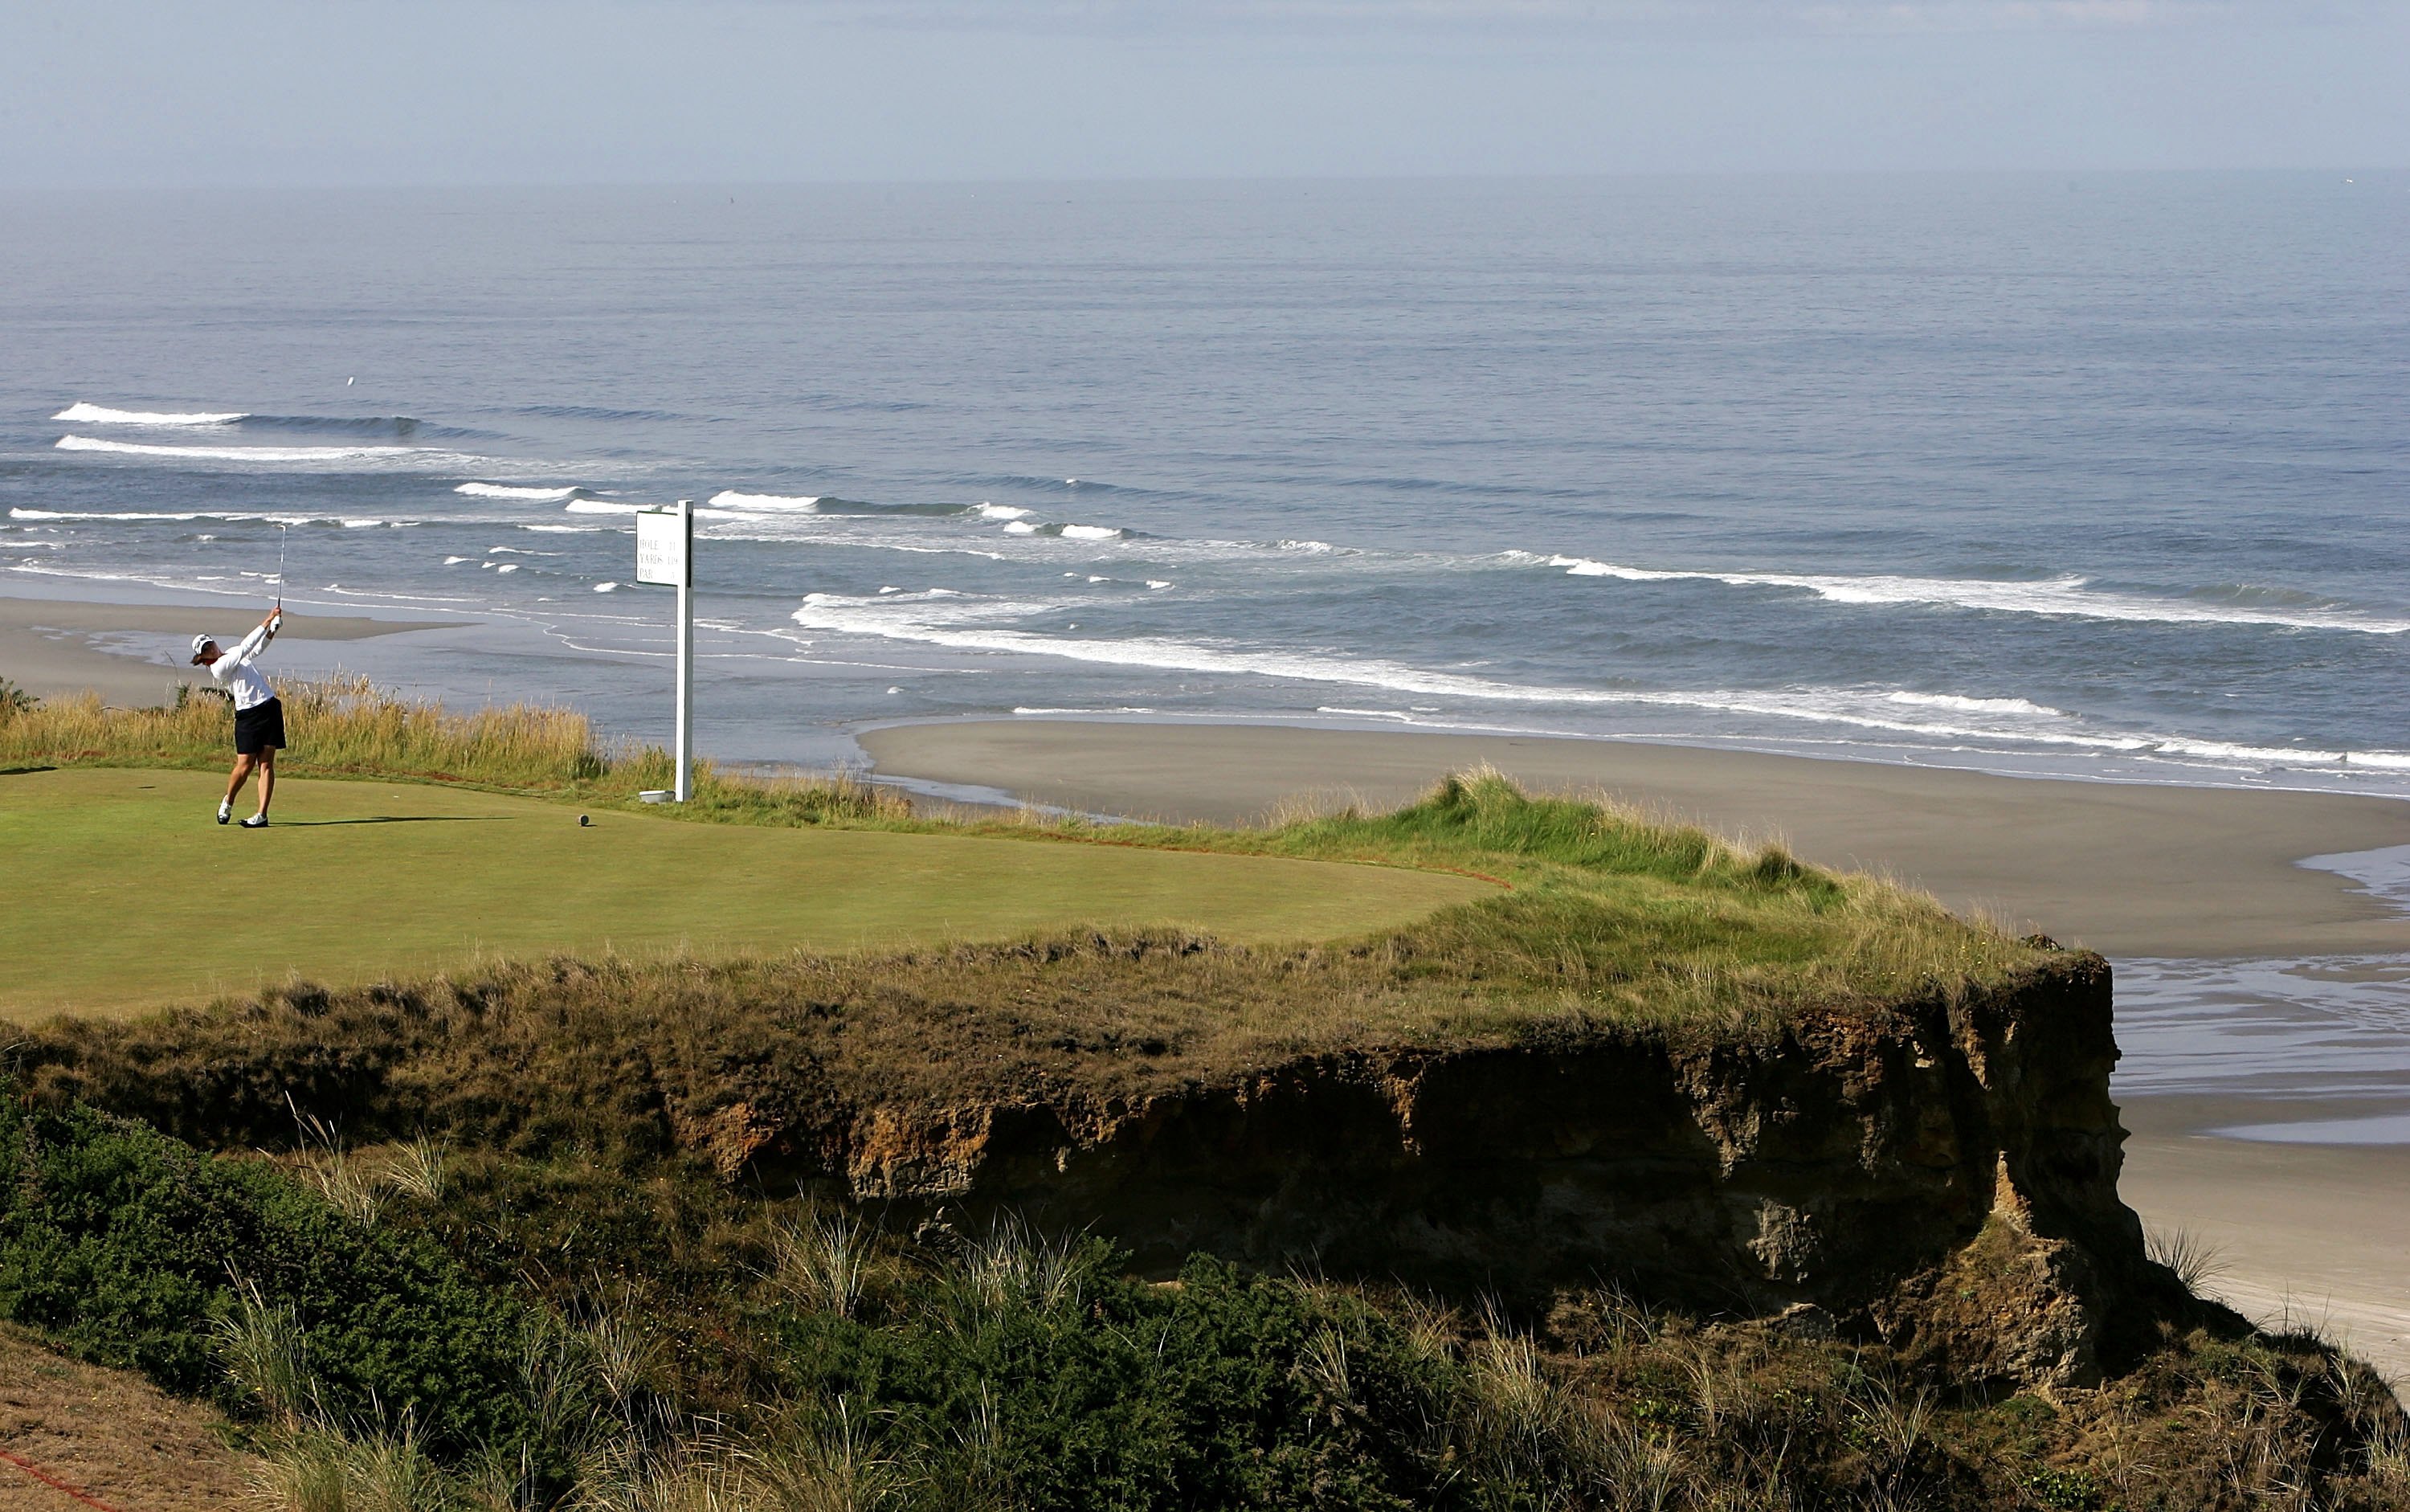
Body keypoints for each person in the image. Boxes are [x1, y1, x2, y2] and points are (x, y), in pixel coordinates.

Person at [190, 608, 285, 828]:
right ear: (203, 658)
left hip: (269, 707)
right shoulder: (219, 668)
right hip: (248, 716)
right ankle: (228, 801)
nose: (211, 648)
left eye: (210, 644)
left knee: (266, 764)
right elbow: (246, 647)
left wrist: (272, 631)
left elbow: (256, 650)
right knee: (245, 765)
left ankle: (262, 815)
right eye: (206, 649)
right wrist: (268, 619)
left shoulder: (232, 654)